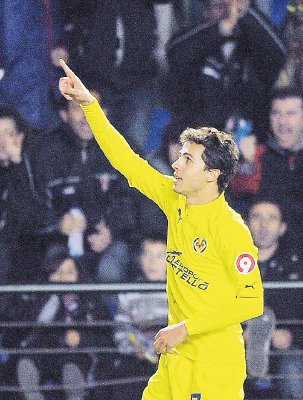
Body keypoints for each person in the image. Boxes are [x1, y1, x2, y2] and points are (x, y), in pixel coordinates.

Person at [58, 59, 263, 399]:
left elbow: (251, 302)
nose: (175, 164)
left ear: (211, 175)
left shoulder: (231, 230)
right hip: (176, 358)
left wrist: (186, 328)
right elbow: (128, 163)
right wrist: (90, 107)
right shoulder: (175, 199)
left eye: (187, 160)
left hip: (212, 365)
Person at [166, 0, 286, 143]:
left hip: (245, 140)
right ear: (206, 12)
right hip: (196, 139)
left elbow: (280, 54)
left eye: (234, 8)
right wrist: (220, 29)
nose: (228, 12)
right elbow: (174, 53)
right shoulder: (193, 40)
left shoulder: (255, 48)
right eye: (220, 6)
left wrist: (247, 12)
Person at [245, 198, 303, 399]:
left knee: (293, 368)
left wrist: (291, 336)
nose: (263, 225)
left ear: (282, 227)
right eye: (257, 217)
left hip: (284, 350)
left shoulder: (297, 268)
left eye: (272, 218)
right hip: (238, 346)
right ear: (246, 224)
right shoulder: (229, 263)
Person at [231, 86, 303, 239]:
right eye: (276, 113)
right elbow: (238, 192)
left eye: (291, 113)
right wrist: (247, 164)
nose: (282, 121)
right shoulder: (258, 154)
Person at [113, 232, 168, 400]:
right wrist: (134, 348)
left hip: (171, 358)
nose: (152, 262)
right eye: (147, 254)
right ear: (140, 259)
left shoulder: (181, 292)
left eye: (160, 256)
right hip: (138, 359)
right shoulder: (129, 292)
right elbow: (121, 331)